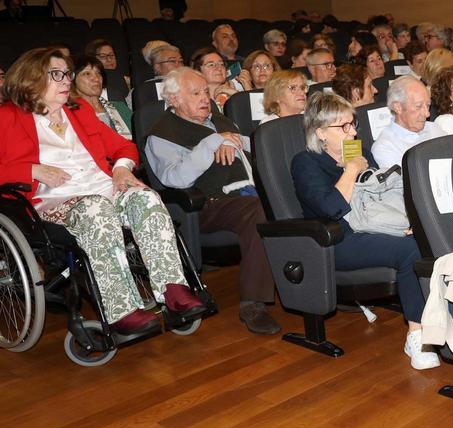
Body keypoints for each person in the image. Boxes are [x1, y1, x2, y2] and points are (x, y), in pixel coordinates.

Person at [0, 48, 206, 334]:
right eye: (56, 75)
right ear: (31, 78)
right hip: (53, 201)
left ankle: (173, 289)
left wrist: (122, 168)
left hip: (102, 189)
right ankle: (122, 309)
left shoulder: (79, 110)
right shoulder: (7, 117)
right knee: (95, 209)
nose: (66, 81)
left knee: (146, 198)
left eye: (67, 75)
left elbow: (124, 146)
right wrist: (32, 171)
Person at [291, 92, 437, 369]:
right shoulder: (306, 162)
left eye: (353, 124)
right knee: (411, 250)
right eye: (344, 126)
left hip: (372, 228)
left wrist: (403, 222)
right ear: (320, 132)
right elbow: (331, 208)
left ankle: (441, 321)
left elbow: (382, 196)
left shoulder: (359, 151)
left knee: (427, 237)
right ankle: (417, 336)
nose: (354, 131)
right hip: (335, 240)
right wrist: (351, 170)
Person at [144, 68, 280, 335]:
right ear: (174, 99)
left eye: (206, 91)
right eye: (195, 93)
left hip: (247, 192)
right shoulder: (161, 134)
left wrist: (236, 140)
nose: (205, 98)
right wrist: (212, 143)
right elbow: (175, 178)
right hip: (206, 205)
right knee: (259, 211)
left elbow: (254, 149)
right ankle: (253, 303)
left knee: (286, 200)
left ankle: (312, 283)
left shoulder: (220, 120)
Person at [372, 76, 445, 171]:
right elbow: (411, 183)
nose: (427, 114)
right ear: (398, 107)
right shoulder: (385, 147)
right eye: (418, 106)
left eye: (428, 106)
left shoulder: (434, 128)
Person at [72, 55, 132, 139]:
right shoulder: (71, 115)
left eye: (98, 73)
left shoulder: (120, 108)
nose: (96, 78)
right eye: (87, 73)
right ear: (72, 79)